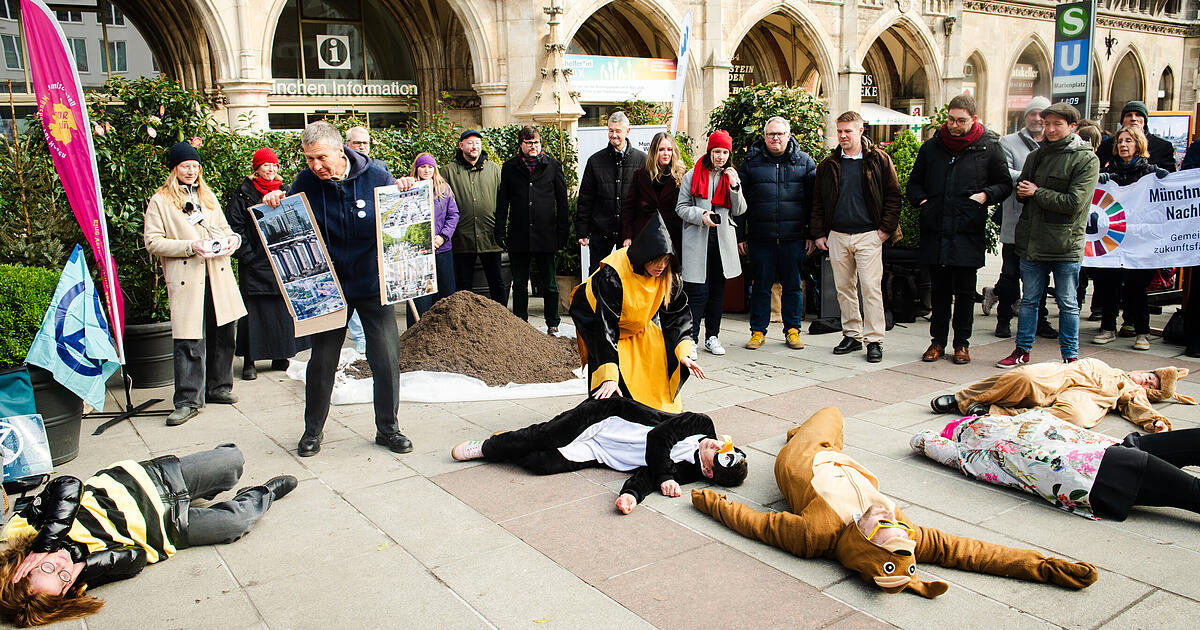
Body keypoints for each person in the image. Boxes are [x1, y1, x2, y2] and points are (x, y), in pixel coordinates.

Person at [691, 406, 1098, 598]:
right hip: (843, 457)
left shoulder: (815, 534)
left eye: (884, 530)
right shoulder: (901, 530)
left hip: (805, 454)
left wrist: (706, 500)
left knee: (831, 411)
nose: (891, 519)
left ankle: (796, 432)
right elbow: (970, 552)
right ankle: (801, 427)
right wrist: (1041, 566)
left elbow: (753, 522)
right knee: (835, 412)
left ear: (866, 548)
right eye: (897, 529)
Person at [0, 444, 295, 627]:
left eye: (49, 567)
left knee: (232, 461)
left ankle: (209, 485)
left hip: (151, 482)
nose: (62, 567)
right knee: (236, 523)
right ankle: (262, 493)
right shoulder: (79, 576)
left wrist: (47, 543)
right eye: (62, 579)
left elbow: (68, 484)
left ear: (21, 569)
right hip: (170, 527)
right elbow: (136, 558)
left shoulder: (23, 532)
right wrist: (84, 568)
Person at [261, 121, 413, 458]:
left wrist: (403, 189)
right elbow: (286, 212)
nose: (315, 165)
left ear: (340, 151)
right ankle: (312, 431)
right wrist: (275, 199)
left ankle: (388, 429)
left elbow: (398, 214)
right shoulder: (305, 182)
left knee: (386, 358)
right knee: (322, 360)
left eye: (320, 158)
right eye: (309, 159)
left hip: (372, 284)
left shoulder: (377, 175)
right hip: (329, 288)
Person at [450, 397, 747, 515]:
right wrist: (666, 476)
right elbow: (660, 438)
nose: (716, 445)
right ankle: (488, 448)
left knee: (543, 464)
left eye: (720, 455)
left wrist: (631, 495)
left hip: (603, 450)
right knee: (547, 435)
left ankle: (509, 444)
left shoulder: (689, 470)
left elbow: (647, 477)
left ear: (709, 472)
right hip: (605, 416)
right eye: (725, 446)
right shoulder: (701, 424)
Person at [912, 410, 1200, 522]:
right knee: (1192, 491)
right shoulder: (971, 456)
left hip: (1112, 451)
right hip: (1103, 471)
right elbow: (922, 440)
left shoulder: (1015, 421)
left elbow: (923, 440)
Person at [144, 141, 247, 427]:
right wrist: (191, 246)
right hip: (188, 277)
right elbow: (152, 241)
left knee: (225, 332)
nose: (191, 171)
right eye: (185, 166)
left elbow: (227, 230)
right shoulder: (161, 201)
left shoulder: (208, 196)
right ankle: (188, 400)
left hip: (218, 274)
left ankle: (218, 387)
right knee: (190, 339)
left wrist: (231, 242)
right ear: (174, 168)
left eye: (194, 166)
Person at [907, 94, 1012, 365]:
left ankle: (961, 344)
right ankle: (937, 342)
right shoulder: (932, 147)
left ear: (973, 120)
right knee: (939, 291)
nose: (954, 125)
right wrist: (924, 202)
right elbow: (914, 184)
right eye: (951, 119)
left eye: (961, 121)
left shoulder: (988, 147)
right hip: (936, 228)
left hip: (968, 229)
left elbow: (1003, 183)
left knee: (965, 292)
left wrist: (984, 196)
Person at [997, 102, 1100, 368]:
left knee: (1067, 303)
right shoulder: (1036, 156)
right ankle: (1022, 351)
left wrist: (1036, 192)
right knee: (1029, 300)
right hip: (1032, 240)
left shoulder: (1086, 158)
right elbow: (1024, 190)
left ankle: (1070, 356)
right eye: (1048, 124)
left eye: (1057, 124)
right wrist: (1025, 191)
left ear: (1072, 126)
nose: (1051, 129)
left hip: (1065, 244)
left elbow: (1074, 203)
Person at [569, 213, 704, 413]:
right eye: (657, 260)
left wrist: (683, 353)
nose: (661, 266)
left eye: (666, 260)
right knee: (611, 379)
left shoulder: (669, 276)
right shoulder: (613, 273)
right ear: (644, 256)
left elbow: (678, 315)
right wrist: (608, 375)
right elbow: (605, 324)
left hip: (635, 321)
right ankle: (603, 413)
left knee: (656, 361)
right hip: (594, 316)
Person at [811, 111, 902, 363]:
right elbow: (818, 201)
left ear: (861, 131)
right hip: (838, 235)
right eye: (839, 131)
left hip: (869, 235)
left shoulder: (878, 160)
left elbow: (894, 196)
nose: (842, 136)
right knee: (844, 289)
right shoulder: (829, 164)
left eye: (848, 131)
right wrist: (819, 233)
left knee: (871, 288)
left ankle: (874, 340)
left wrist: (884, 230)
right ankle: (852, 334)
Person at [224, 147, 310, 381]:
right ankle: (250, 361)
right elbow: (234, 227)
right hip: (254, 262)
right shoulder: (242, 194)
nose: (270, 169)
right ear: (256, 168)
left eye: (273, 165)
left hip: (282, 261)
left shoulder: (285, 191)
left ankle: (281, 355)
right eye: (265, 165)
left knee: (282, 312)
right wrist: (249, 255)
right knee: (254, 314)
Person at [930, 358, 1193, 432]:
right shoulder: (1107, 365)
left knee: (1076, 416)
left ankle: (994, 413)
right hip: (1069, 373)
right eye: (1148, 376)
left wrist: (1155, 421)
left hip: (1093, 396)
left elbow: (1141, 408)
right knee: (1027, 377)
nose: (1145, 381)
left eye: (1151, 385)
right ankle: (961, 399)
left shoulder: (1133, 391)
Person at [738, 116, 817, 351]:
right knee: (761, 286)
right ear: (764, 137)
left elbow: (814, 203)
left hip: (793, 238)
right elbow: (740, 204)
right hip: (761, 238)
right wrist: (741, 235)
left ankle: (792, 330)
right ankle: (758, 332)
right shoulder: (751, 164)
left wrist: (812, 234)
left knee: (792, 285)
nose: (776, 138)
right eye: (771, 134)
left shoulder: (805, 163)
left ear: (789, 135)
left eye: (780, 134)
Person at [1090, 127, 1169, 350]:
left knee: (1136, 286)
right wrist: (1098, 180)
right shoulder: (1109, 172)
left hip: (1139, 240)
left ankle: (1142, 332)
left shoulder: (1151, 172)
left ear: (1139, 145)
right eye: (1120, 141)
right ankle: (1108, 328)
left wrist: (1165, 180)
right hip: (1114, 238)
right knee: (1109, 283)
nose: (1123, 145)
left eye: (1129, 141)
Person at [675, 130, 746, 357]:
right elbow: (681, 208)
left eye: (725, 152)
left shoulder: (731, 175)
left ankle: (712, 337)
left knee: (718, 292)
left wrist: (734, 187)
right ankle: (692, 339)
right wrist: (701, 215)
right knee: (697, 293)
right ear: (710, 151)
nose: (721, 157)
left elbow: (740, 210)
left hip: (722, 242)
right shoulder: (692, 175)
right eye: (717, 151)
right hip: (698, 240)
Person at [991, 96, 1054, 339]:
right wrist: (1039, 180)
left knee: (1039, 277)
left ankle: (1039, 320)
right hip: (1016, 221)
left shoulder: (1054, 142)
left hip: (1044, 224)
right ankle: (1004, 318)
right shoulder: (1008, 142)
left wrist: (1035, 184)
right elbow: (1005, 173)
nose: (1037, 119)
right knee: (1010, 274)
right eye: (1032, 114)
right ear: (1025, 116)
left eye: (1042, 115)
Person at [496, 126, 570, 333]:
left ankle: (553, 323)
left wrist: (562, 232)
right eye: (529, 143)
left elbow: (562, 201)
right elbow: (503, 202)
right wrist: (500, 230)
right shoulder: (510, 167)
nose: (533, 147)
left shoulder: (552, 165)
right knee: (519, 283)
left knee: (550, 283)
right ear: (521, 144)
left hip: (546, 233)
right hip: (519, 234)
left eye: (536, 142)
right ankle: (521, 323)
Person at [578, 111, 647, 275]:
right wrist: (582, 231)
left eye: (618, 131)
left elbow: (646, 199)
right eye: (610, 130)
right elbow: (585, 198)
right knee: (597, 275)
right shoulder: (595, 161)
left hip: (630, 233)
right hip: (601, 231)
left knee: (630, 276)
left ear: (627, 132)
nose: (613, 135)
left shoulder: (642, 160)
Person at [443, 129, 506, 305]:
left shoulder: (493, 169)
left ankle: (502, 319)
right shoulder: (448, 172)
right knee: (463, 284)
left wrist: (501, 230)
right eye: (470, 143)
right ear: (461, 145)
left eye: (477, 143)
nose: (474, 147)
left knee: (497, 282)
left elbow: (502, 201)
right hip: (462, 237)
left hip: (489, 236)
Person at [405, 152, 459, 325]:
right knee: (421, 294)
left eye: (430, 167)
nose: (426, 170)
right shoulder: (409, 189)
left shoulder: (444, 189)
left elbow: (453, 215)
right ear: (417, 169)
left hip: (442, 249)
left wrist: (443, 236)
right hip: (419, 252)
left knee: (446, 292)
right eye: (423, 167)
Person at [621, 131, 686, 255]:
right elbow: (629, 207)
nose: (666, 154)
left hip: (674, 236)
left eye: (669, 149)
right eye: (661, 149)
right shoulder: (640, 175)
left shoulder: (682, 175)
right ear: (654, 151)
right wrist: (628, 235)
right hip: (645, 233)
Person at [344, 126, 374, 353]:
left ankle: (369, 342)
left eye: (365, 143)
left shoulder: (379, 170)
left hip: (370, 256)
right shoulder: (339, 173)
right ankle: (361, 341)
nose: (362, 147)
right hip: (344, 255)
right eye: (357, 143)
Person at [1095, 101, 1178, 172]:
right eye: (1129, 115)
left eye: (1138, 115)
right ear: (1122, 121)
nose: (1133, 118)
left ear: (1144, 121)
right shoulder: (1107, 145)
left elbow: (1170, 180)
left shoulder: (1162, 147)